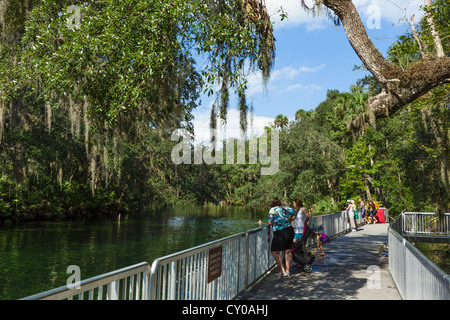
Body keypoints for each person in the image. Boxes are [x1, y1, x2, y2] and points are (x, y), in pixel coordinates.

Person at [267, 197, 297, 277]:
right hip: (289, 230)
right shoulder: (285, 208)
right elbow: (296, 212)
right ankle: (287, 271)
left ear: (272, 204)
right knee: (287, 251)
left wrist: (273, 222)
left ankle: (282, 271)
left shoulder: (272, 210)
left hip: (280, 231)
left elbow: (269, 222)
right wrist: (290, 220)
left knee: (275, 251)